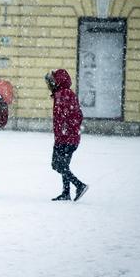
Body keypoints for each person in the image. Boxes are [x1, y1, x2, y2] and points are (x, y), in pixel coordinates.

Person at [45, 69, 89, 202]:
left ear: (57, 81)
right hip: (69, 137)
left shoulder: (62, 94)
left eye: (52, 81)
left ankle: (79, 185)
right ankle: (66, 193)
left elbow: (68, 117)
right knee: (64, 165)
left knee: (57, 165)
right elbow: (77, 115)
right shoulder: (67, 93)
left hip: (65, 138)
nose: (50, 84)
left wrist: (65, 130)